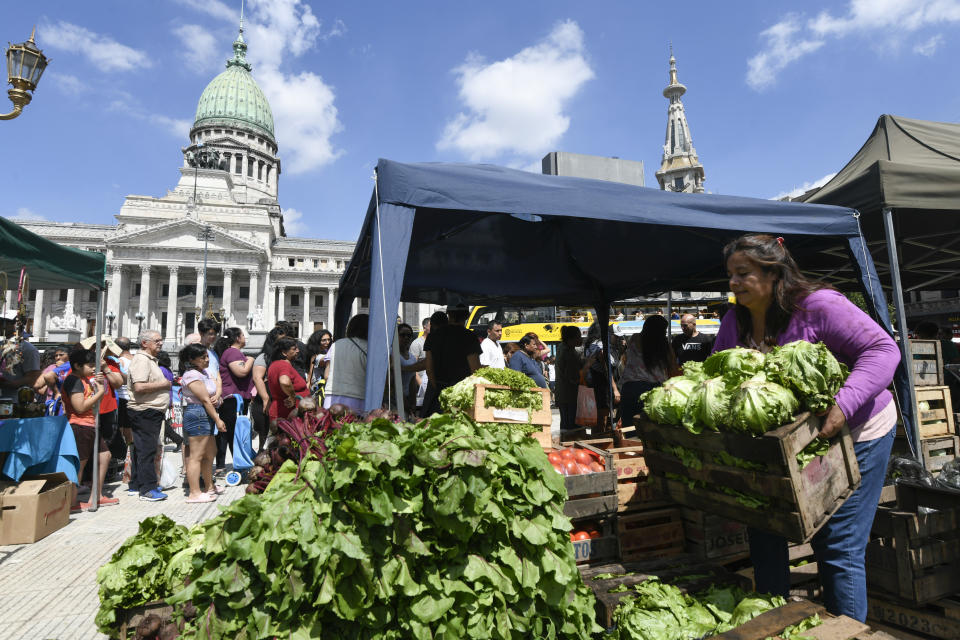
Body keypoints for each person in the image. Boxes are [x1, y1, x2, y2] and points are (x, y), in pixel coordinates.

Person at [714, 233, 900, 622]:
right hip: (787, 443)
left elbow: (884, 350)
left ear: (773, 272)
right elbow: (716, 372)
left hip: (857, 430)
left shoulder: (818, 305)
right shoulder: (737, 319)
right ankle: (773, 623)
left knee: (839, 541)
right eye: (730, 274)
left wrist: (842, 406)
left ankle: (846, 630)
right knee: (765, 527)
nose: (732, 283)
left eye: (742, 273)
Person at [62, 347, 120, 511]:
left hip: (90, 425)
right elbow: (79, 407)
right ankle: (72, 501)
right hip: (80, 426)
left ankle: (97, 494)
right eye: (89, 365)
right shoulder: (73, 380)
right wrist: (100, 392)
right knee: (79, 464)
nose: (94, 368)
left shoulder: (85, 379)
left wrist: (99, 386)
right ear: (77, 365)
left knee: (105, 456)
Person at [127, 329, 172, 502]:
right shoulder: (141, 360)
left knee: (144, 449)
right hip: (145, 410)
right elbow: (139, 387)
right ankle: (148, 488)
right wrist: (164, 384)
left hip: (149, 410)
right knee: (147, 449)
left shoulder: (149, 360)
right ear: (144, 343)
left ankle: (138, 483)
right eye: (156, 340)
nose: (160, 343)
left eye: (161, 340)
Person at [178, 343, 226, 502]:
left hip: (206, 413)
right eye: (203, 357)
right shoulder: (191, 375)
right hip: (198, 413)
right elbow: (205, 399)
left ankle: (209, 485)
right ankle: (194, 492)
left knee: (210, 452)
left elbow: (214, 389)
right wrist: (218, 419)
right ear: (192, 360)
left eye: (207, 356)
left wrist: (217, 398)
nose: (207, 360)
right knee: (196, 456)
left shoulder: (203, 372)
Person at [620, 316, 679, 428]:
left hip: (630, 388)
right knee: (650, 430)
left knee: (629, 429)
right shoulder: (664, 345)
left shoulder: (634, 338)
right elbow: (673, 368)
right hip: (653, 391)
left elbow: (626, 359)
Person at [422, 307, 481, 415]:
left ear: (448, 314)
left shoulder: (433, 336)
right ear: (467, 315)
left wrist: (438, 389)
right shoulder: (469, 336)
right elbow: (475, 370)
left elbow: (429, 369)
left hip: (438, 392)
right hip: (460, 395)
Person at [214, 328, 254, 468]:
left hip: (237, 398)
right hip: (232, 398)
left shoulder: (235, 353)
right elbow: (241, 371)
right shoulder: (232, 352)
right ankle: (223, 464)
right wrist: (250, 360)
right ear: (237, 338)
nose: (245, 337)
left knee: (232, 432)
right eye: (243, 335)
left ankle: (235, 462)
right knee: (228, 432)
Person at [324, 315, 369, 413]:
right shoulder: (369, 348)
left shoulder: (337, 344)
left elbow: (326, 375)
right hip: (358, 397)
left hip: (332, 395)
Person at [251, 326, 284, 451]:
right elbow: (257, 378)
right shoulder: (264, 357)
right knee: (265, 436)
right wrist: (265, 399)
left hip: (278, 400)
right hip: (265, 401)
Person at [584, 323, 621, 429]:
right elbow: (606, 369)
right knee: (602, 417)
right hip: (601, 385)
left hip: (595, 384)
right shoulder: (599, 345)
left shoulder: (590, 344)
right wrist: (615, 389)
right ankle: (602, 440)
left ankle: (599, 438)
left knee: (599, 417)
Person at [267, 337, 309, 424]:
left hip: (284, 411)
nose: (298, 351)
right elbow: (284, 382)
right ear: (284, 352)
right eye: (294, 349)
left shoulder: (275, 364)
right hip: (288, 413)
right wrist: (293, 396)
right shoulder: (283, 365)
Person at [0, 316, 41, 393]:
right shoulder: (1, 345)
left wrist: (9, 384)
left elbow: (33, 376)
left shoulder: (28, 349)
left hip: (15, 398)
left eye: (3, 323)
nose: (1, 325)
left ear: (15, 325)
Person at [555, 326, 584, 432]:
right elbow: (572, 377)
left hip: (563, 394)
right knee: (571, 426)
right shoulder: (568, 353)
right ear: (570, 339)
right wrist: (587, 365)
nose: (581, 339)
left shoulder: (562, 347)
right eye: (578, 337)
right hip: (569, 395)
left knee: (565, 423)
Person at [156, 351, 184, 452]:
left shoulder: (160, 370)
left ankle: (178, 439)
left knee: (159, 421)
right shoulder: (168, 370)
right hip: (168, 397)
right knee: (161, 421)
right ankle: (177, 439)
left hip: (161, 397)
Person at [396, 323, 419, 413]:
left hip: (408, 399)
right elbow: (393, 382)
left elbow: (412, 382)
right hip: (394, 400)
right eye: (402, 335)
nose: (406, 338)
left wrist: (413, 403)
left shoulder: (412, 357)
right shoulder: (391, 355)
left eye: (409, 335)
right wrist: (404, 403)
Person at [305, 329, 333, 399]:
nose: (327, 342)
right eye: (324, 340)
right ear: (317, 342)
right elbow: (310, 374)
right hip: (319, 391)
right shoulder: (317, 356)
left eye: (329, 339)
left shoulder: (327, 352)